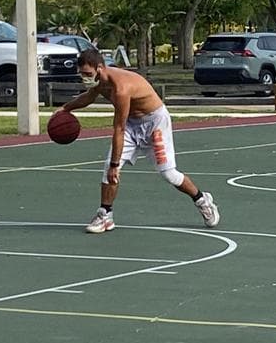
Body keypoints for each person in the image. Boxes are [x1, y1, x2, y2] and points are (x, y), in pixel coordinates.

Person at [57, 49, 220, 232]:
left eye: (88, 74)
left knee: (169, 174)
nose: (85, 78)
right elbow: (88, 97)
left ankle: (202, 200)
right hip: (132, 124)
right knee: (109, 171)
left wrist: (114, 164)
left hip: (154, 123)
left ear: (100, 68)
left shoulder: (121, 88)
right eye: (82, 74)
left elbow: (119, 127)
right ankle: (105, 215)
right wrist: (65, 109)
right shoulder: (99, 81)